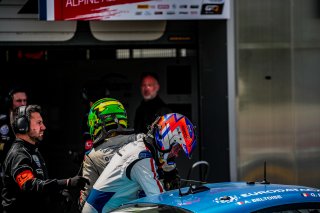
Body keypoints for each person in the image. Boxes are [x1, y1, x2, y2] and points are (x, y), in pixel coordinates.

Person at [82, 112, 197, 212]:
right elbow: (161, 202)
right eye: (177, 148)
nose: (176, 154)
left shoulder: (141, 147)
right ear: (167, 138)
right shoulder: (142, 158)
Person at [1, 105, 90, 213]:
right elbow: (29, 185)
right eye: (39, 123)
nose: (43, 127)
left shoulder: (33, 151)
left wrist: (57, 194)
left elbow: (39, 187)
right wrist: (67, 182)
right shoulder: (19, 154)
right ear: (23, 125)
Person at [79, 97, 138, 210]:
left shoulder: (92, 156)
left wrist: (80, 201)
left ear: (95, 123)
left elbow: (87, 199)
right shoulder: (142, 142)